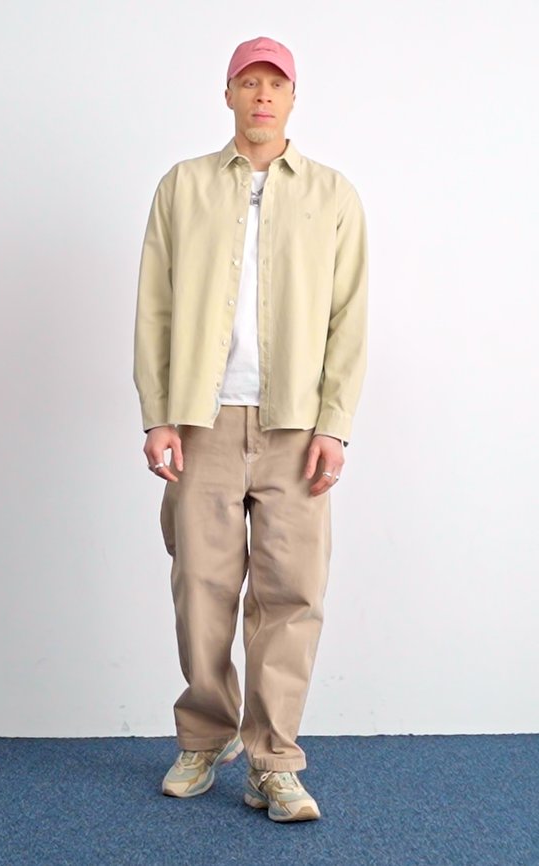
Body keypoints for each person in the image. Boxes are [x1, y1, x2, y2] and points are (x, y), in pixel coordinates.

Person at [133, 35, 368, 823]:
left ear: (293, 98)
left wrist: (334, 424)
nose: (263, 95)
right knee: (200, 590)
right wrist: (158, 413)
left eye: (276, 83)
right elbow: (155, 308)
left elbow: (349, 319)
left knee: (291, 593)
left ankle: (274, 761)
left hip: (295, 427)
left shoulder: (333, 195)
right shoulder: (183, 186)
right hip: (202, 422)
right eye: (249, 82)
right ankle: (206, 737)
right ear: (228, 94)